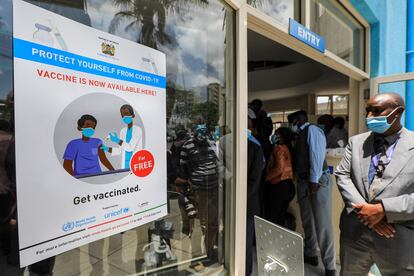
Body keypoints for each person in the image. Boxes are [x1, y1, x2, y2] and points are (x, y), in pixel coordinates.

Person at [335, 92, 414, 275]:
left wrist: (383, 210)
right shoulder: (357, 142)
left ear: (397, 112)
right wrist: (367, 214)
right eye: (367, 111)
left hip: (398, 237)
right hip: (355, 234)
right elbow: (342, 175)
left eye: (376, 111)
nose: (369, 117)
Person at [287, 110, 336, 276]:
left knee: (322, 223)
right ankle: (310, 254)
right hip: (304, 180)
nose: (291, 126)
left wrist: (314, 180)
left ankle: (330, 266)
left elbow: (316, 154)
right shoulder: (300, 134)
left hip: (317, 180)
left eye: (292, 122)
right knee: (307, 220)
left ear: (299, 120)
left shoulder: (312, 130)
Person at [179, 116, 219, 267]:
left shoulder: (211, 143)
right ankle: (199, 254)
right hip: (200, 190)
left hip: (214, 188)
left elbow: (216, 162)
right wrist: (191, 183)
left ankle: (209, 250)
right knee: (202, 222)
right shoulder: (187, 146)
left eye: (203, 124)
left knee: (213, 222)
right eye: (198, 125)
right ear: (192, 128)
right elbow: (183, 167)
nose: (201, 127)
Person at [246, 108, 265, 276]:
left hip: (247, 203)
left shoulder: (255, 147)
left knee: (245, 243)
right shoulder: (228, 144)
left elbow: (255, 179)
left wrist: (240, 200)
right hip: (233, 201)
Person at [264, 127, 295, 227]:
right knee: (280, 218)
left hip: (278, 186)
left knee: (272, 218)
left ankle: (269, 241)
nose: (274, 136)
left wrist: (266, 178)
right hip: (289, 186)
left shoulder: (279, 149)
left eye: (277, 135)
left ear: (282, 137)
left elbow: (279, 168)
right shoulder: (289, 148)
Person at [101, 104, 143, 169]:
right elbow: (120, 151)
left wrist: (116, 140)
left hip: (136, 165)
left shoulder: (138, 129)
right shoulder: (123, 131)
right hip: (125, 167)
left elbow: (130, 148)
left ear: (133, 115)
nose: (124, 117)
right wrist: (106, 148)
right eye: (122, 115)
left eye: (126, 113)